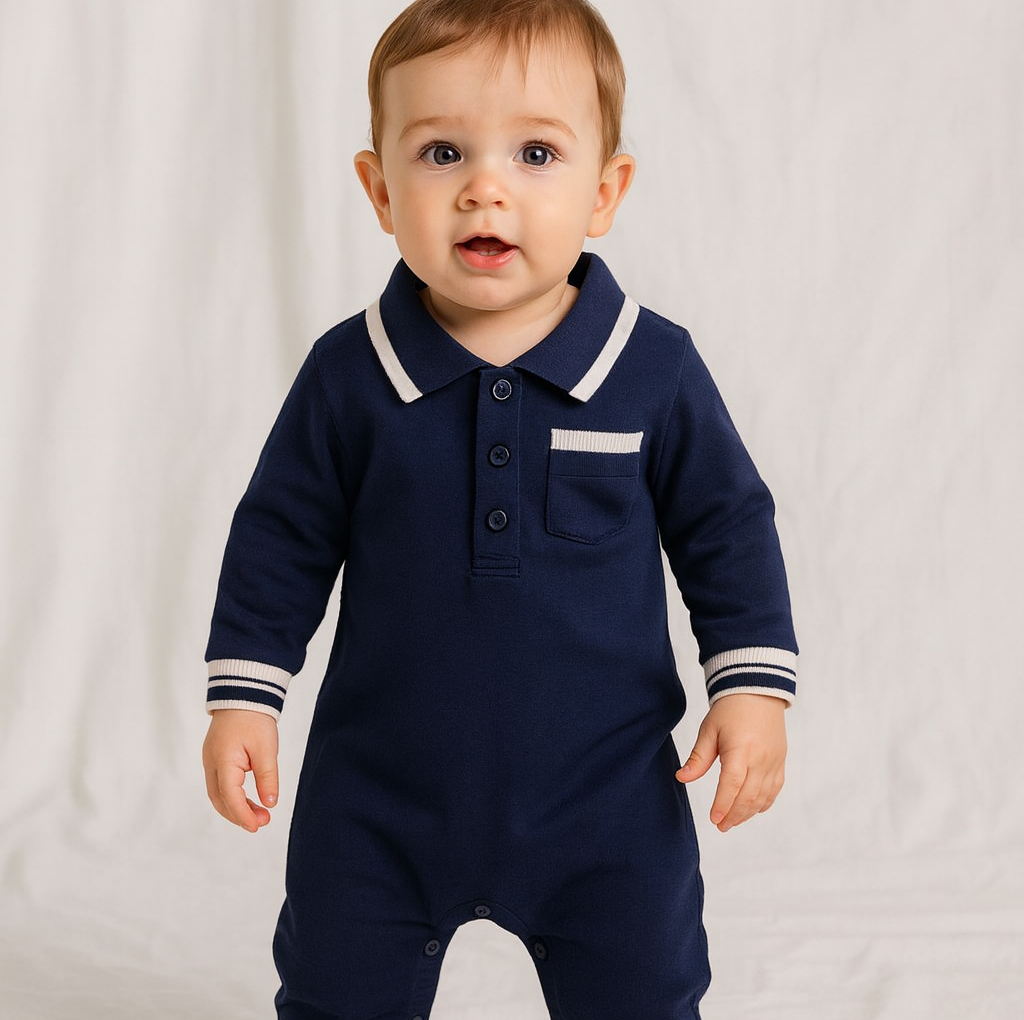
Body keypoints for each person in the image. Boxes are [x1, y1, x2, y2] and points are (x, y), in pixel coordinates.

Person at [201, 1, 798, 1016]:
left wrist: (750, 687)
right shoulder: (349, 376)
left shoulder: (653, 369)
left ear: (604, 191)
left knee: (644, 992)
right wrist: (245, 697)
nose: (485, 187)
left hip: (607, 798)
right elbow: (279, 538)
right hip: (377, 797)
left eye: (535, 153)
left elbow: (727, 528)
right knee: (335, 992)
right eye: (441, 153)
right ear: (379, 191)